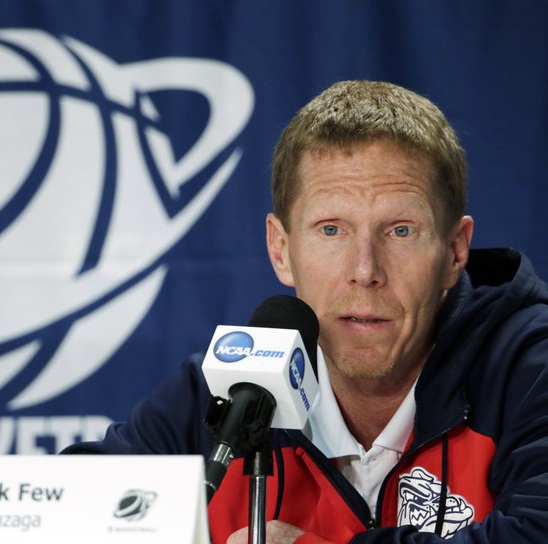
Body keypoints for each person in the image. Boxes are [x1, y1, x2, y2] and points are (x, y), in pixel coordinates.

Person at [63, 80, 548, 543]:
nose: (365, 270)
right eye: (331, 230)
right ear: (281, 250)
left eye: (400, 230)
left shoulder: (528, 372)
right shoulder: (224, 396)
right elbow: (61, 516)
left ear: (455, 252)